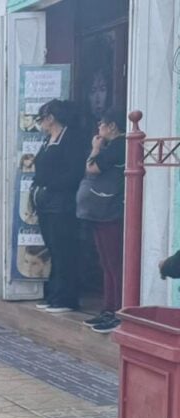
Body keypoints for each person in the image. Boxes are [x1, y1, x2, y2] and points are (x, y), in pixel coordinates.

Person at [31, 99, 88, 313]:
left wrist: (50, 184)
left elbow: (73, 173)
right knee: (53, 249)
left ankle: (66, 297)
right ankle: (54, 294)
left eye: (41, 119)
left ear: (51, 118)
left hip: (62, 203)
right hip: (46, 203)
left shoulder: (70, 140)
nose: (40, 124)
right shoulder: (48, 140)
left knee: (65, 249)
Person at [79, 109, 127, 333]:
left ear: (112, 126)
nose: (99, 129)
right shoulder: (115, 147)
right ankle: (108, 308)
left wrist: (96, 148)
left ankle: (118, 309)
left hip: (111, 210)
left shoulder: (119, 146)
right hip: (103, 210)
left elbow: (92, 168)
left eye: (102, 124)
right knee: (106, 262)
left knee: (114, 262)